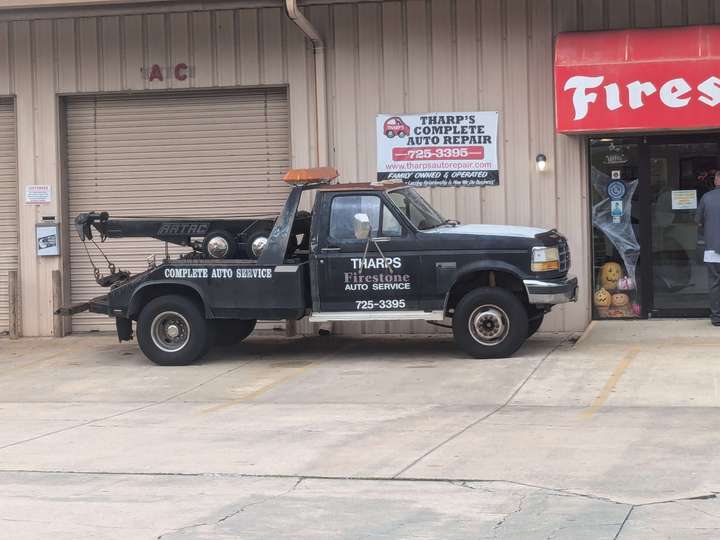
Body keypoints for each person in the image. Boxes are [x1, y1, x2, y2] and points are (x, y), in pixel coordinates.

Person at [696, 171, 720, 325]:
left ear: (717, 180)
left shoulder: (707, 198)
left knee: (715, 281)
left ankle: (717, 317)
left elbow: (698, 221)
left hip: (712, 247)